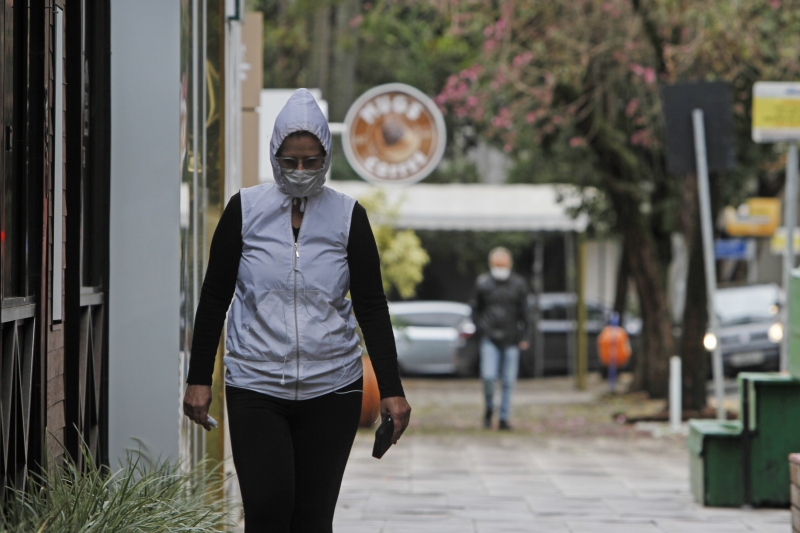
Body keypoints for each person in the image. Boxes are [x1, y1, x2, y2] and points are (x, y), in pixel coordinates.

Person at [182, 89, 411, 533]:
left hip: (334, 388)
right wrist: (198, 380)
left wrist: (391, 389)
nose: (302, 171)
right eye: (290, 161)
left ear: (326, 156)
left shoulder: (349, 217)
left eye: (311, 162)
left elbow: (371, 306)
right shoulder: (245, 211)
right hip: (255, 384)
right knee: (268, 509)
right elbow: (214, 297)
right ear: (274, 155)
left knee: (311, 519)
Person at [471, 247, 529, 430]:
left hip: (511, 339)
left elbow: (525, 312)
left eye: (503, 264)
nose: (500, 267)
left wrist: (524, 335)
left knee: (508, 381)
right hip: (490, 338)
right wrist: (482, 329)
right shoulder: (483, 283)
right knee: (488, 377)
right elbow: (475, 309)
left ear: (509, 264)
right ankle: (489, 408)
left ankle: (503, 418)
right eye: (497, 264)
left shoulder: (518, 284)